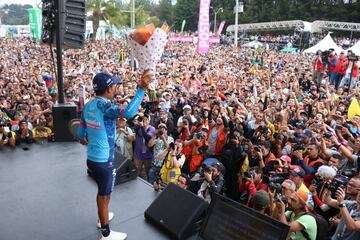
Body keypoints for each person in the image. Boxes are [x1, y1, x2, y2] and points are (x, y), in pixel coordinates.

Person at [77, 70, 153, 240]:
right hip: (104, 161)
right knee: (104, 196)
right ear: (108, 89)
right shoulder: (104, 106)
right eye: (115, 85)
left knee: (103, 193)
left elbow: (80, 134)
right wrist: (141, 89)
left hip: (92, 159)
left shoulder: (88, 105)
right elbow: (128, 113)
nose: (117, 88)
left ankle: (101, 219)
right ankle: (106, 234)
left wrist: (85, 139)